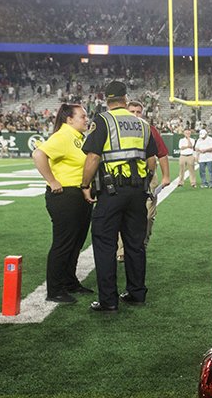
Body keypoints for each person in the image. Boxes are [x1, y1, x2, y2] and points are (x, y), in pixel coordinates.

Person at [80, 81, 157, 312]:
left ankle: (108, 301)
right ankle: (136, 293)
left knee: (105, 243)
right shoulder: (142, 124)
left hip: (112, 191)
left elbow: (93, 157)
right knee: (135, 244)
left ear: (106, 99)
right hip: (137, 192)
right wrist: (143, 179)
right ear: (125, 98)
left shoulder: (103, 120)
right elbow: (151, 160)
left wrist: (85, 185)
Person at [32, 103, 93, 304]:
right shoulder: (63, 136)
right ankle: (55, 290)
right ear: (69, 119)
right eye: (82, 116)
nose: (86, 119)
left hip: (78, 195)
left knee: (75, 243)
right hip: (65, 196)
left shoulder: (77, 137)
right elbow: (38, 154)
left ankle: (69, 282)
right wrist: (52, 180)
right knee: (64, 243)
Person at [116, 100, 171, 262]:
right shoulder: (118, 128)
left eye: (138, 112)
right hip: (124, 175)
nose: (135, 115)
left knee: (147, 216)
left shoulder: (149, 129)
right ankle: (121, 250)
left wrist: (166, 176)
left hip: (148, 176)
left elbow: (162, 153)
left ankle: (142, 244)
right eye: (132, 111)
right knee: (123, 214)